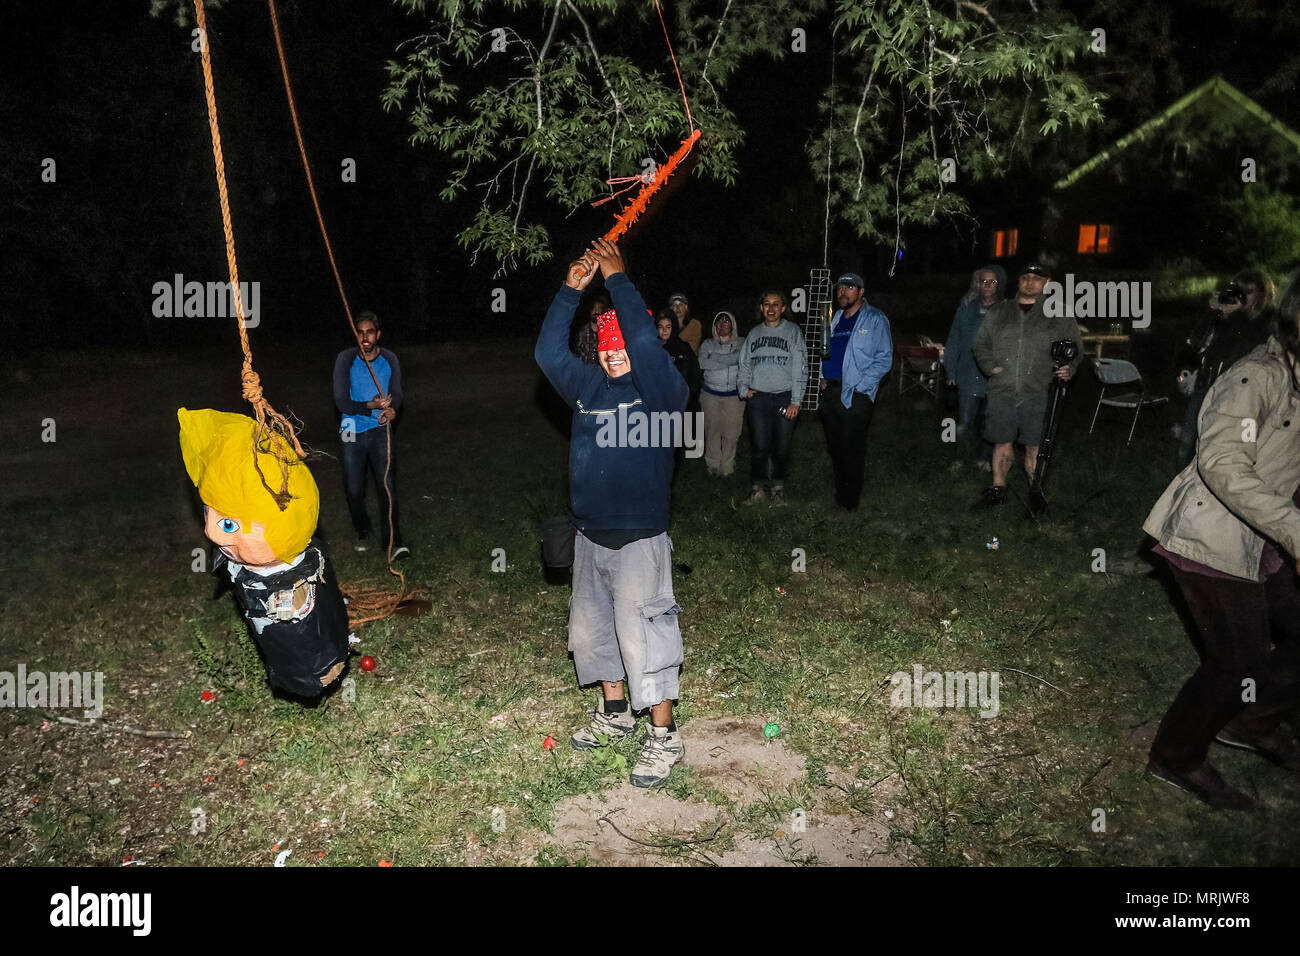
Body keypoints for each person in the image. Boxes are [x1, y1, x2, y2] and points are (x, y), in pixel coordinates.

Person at [534, 238, 689, 789]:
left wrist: (618, 282)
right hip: (589, 537)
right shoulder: (586, 388)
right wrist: (571, 290)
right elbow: (548, 355)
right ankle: (615, 715)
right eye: (606, 345)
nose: (616, 353)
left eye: (622, 344)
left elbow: (647, 349)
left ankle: (664, 737)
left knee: (645, 636)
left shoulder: (663, 391)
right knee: (594, 634)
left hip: (639, 540)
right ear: (596, 350)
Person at [1143, 269, 1300, 810]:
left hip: (1264, 538)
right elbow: (1224, 462)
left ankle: (1257, 720)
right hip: (1209, 537)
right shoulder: (1256, 377)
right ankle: (1176, 756)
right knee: (1240, 662)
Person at [972, 262, 1082, 510]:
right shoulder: (999, 311)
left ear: (1047, 283)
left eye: (1037, 278)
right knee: (1002, 441)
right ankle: (998, 489)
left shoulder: (1060, 313)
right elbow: (980, 344)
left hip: (1039, 389)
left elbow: (1075, 348)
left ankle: (1036, 492)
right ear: (1018, 281)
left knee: (1035, 444)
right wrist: (990, 367)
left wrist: (1070, 367)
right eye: (1025, 277)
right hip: (1002, 389)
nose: (1030, 282)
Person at [1176, 270, 1276, 468]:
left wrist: (1236, 315)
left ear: (1262, 294)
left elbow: (1246, 347)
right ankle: (1180, 491)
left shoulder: (1268, 320)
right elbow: (1196, 342)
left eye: (1248, 291)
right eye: (1237, 289)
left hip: (1237, 393)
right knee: (1186, 444)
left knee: (1220, 448)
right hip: (1206, 385)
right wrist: (1212, 312)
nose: (1241, 296)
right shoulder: (1225, 315)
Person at [333, 311, 409, 559]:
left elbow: (396, 392)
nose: (365, 337)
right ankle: (362, 530)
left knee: (386, 486)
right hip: (350, 428)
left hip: (379, 428)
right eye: (360, 332)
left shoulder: (389, 359)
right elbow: (342, 401)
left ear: (378, 335)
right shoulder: (345, 359)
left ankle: (394, 542)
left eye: (370, 332)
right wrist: (370, 405)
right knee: (354, 488)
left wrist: (391, 409)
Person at [818, 272, 893, 510]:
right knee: (835, 446)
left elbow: (884, 358)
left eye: (850, 288)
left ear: (861, 293)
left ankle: (849, 503)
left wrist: (863, 385)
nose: (843, 292)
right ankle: (841, 492)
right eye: (840, 288)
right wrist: (820, 376)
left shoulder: (874, 318)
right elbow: (824, 350)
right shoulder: (835, 317)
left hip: (856, 394)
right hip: (829, 391)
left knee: (851, 447)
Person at [738, 290, 807, 506]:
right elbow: (745, 363)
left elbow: (800, 366)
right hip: (759, 400)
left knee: (782, 446)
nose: (771, 308)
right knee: (759, 447)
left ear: (783, 308)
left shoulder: (793, 332)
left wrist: (796, 399)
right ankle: (758, 488)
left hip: (785, 398)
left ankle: (778, 488)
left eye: (776, 304)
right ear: (761, 308)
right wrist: (743, 389)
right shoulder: (754, 334)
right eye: (767, 304)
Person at [944, 265, 1005, 471]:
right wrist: (950, 371)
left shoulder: (1006, 312)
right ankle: (959, 458)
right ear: (978, 285)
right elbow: (953, 342)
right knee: (964, 422)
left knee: (989, 421)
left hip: (995, 377)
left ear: (999, 285)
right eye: (984, 281)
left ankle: (985, 459)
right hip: (967, 374)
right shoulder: (964, 310)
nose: (988, 285)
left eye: (993, 282)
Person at [698, 310, 746, 476]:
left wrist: (716, 358)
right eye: (719, 322)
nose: (723, 325)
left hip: (734, 395)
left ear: (732, 324)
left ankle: (727, 467)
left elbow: (738, 359)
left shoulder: (742, 343)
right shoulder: (707, 344)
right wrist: (729, 360)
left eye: (726, 321)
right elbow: (703, 362)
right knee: (712, 431)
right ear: (714, 326)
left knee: (732, 433)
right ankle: (712, 466)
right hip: (710, 394)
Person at [657, 310, 702, 412]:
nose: (664, 330)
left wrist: (687, 397)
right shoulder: (651, 348)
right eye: (660, 327)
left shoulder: (683, 348)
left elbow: (695, 376)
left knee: (689, 427)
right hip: (660, 403)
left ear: (673, 328)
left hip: (684, 402)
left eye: (668, 327)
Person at [573, 293, 610, 366]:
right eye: (594, 308)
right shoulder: (581, 332)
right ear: (589, 311)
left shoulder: (609, 332)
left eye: (599, 308)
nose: (596, 311)